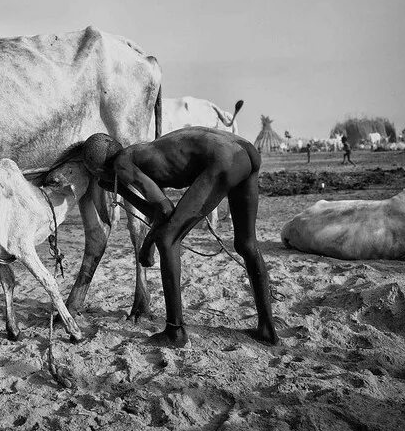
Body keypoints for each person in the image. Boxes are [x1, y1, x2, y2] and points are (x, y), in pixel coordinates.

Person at [80, 129, 278, 347]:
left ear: (98, 169)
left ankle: (175, 331)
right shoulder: (139, 153)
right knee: (246, 243)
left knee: (167, 241)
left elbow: (165, 211)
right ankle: (267, 328)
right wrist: (124, 193)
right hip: (244, 150)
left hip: (224, 158)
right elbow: (161, 212)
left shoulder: (122, 164)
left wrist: (148, 245)